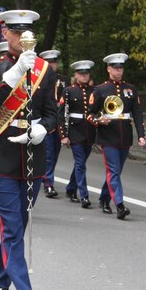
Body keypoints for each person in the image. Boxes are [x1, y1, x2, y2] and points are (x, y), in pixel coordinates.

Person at [0, 9, 58, 290]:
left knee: (18, 227)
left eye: (27, 31)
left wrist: (42, 129)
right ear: (5, 34)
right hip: (0, 156)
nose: (22, 36)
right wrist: (13, 75)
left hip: (32, 157)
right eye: (16, 31)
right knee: (12, 228)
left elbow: (51, 111)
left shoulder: (44, 70)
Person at [88, 53, 145, 220]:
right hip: (108, 136)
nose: (119, 71)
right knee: (113, 170)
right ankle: (120, 205)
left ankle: (104, 198)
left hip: (125, 135)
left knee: (116, 171)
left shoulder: (131, 89)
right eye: (115, 68)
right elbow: (90, 114)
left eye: (121, 68)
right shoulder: (100, 89)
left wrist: (141, 134)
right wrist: (99, 120)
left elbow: (137, 113)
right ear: (108, 69)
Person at [59, 60, 97, 208]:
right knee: (80, 163)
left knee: (80, 164)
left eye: (86, 74)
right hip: (75, 131)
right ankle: (84, 195)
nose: (84, 76)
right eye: (81, 74)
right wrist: (64, 134)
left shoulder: (94, 91)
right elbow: (62, 114)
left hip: (89, 131)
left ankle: (71, 188)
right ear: (76, 75)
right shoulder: (69, 91)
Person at [38, 49, 65, 198]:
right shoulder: (39, 79)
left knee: (54, 154)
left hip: (59, 122)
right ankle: (49, 183)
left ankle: (46, 176)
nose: (52, 65)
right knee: (48, 154)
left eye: (54, 62)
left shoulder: (63, 80)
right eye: (49, 62)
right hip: (46, 121)